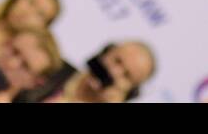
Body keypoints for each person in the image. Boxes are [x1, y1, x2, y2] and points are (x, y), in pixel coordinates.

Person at [23, 40, 156, 103]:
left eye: (127, 75)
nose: (115, 72)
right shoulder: (52, 67)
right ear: (105, 53)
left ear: (130, 91)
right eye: (117, 61)